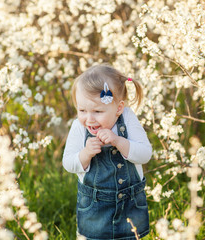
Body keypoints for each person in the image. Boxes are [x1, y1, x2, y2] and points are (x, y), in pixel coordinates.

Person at [62, 64, 152, 240]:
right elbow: (68, 163)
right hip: (94, 209)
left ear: (118, 108)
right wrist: (86, 153)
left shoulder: (127, 119)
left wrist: (119, 141)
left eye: (97, 111)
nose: (89, 119)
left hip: (130, 206)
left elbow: (145, 154)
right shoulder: (79, 128)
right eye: (82, 110)